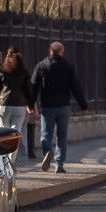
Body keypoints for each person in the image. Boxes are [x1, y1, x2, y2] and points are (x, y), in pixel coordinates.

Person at [30, 42, 87, 173]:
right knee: (62, 136)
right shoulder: (68, 66)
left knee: (46, 135)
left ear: (50, 51)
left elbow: (34, 86)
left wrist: (30, 104)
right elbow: (76, 87)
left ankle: (47, 153)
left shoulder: (42, 66)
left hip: (47, 106)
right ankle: (59, 164)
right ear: (61, 52)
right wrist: (83, 105)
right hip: (63, 106)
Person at [0, 49, 33, 151]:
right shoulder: (24, 72)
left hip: (3, 105)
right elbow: (28, 90)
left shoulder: (1, 71)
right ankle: (11, 159)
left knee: (3, 133)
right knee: (15, 133)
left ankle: (4, 157)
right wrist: (30, 105)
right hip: (19, 106)